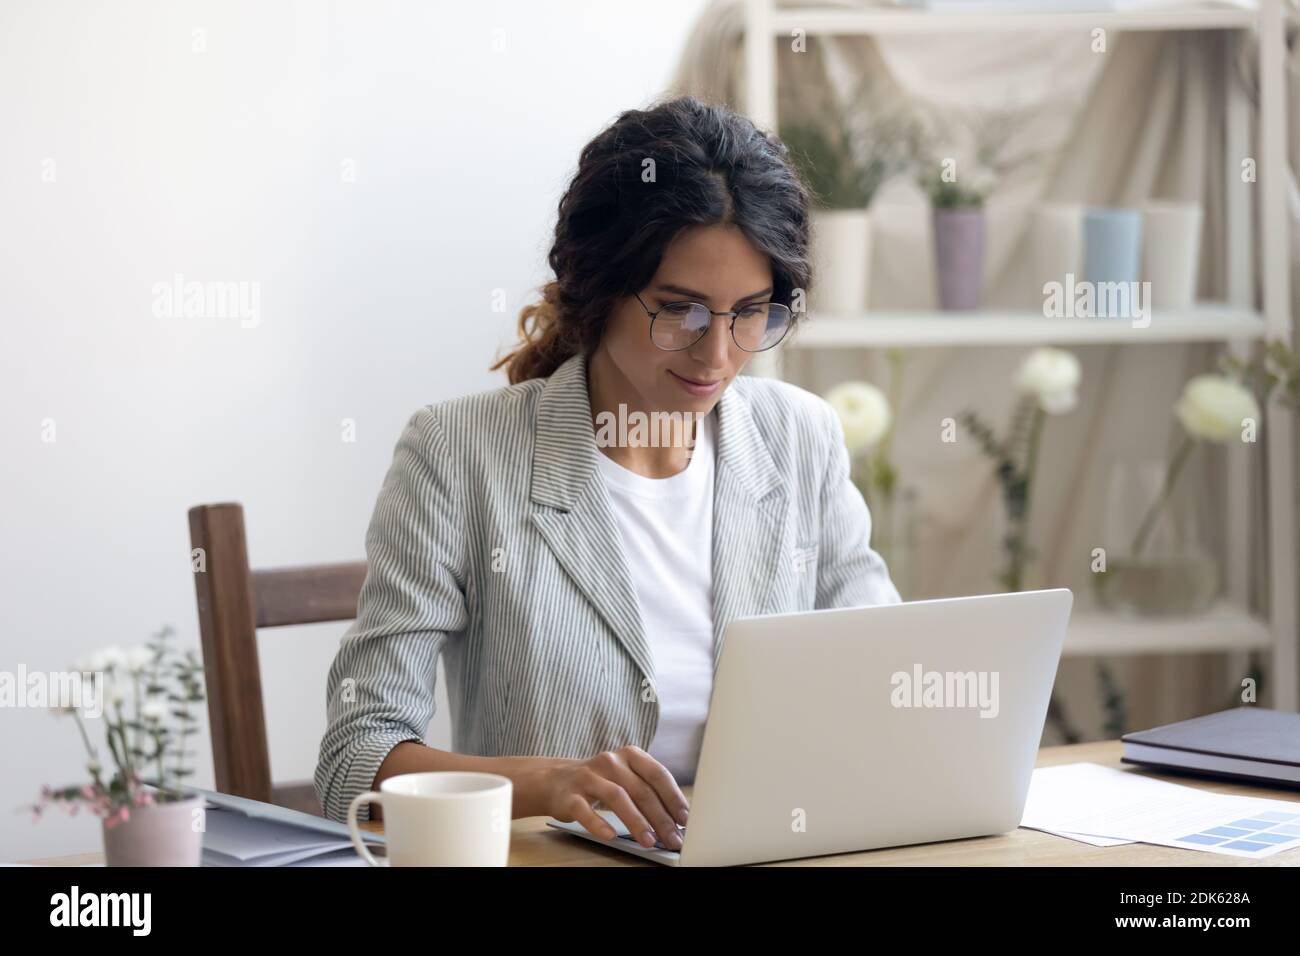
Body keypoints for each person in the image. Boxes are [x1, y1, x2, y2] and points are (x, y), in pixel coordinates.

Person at [315, 95, 900, 851]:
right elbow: (353, 764)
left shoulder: (801, 440)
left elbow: (887, 675)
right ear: (598, 288)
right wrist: (550, 782)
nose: (718, 355)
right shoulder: (458, 454)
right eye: (680, 310)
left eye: (751, 312)